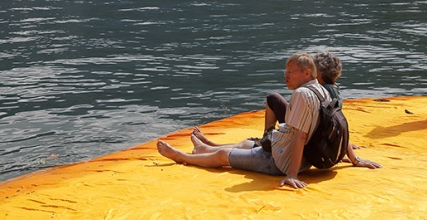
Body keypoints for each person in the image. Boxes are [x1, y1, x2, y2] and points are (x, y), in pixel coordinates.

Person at [156, 53, 380, 189]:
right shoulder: (324, 91)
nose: (286, 76)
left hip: (280, 162)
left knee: (224, 156)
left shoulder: (302, 95)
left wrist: (290, 174)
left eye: (291, 72)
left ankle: (181, 156)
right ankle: (205, 147)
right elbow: (338, 125)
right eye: (286, 71)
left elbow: (300, 137)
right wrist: (353, 158)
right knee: (247, 144)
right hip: (294, 156)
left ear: (307, 73)